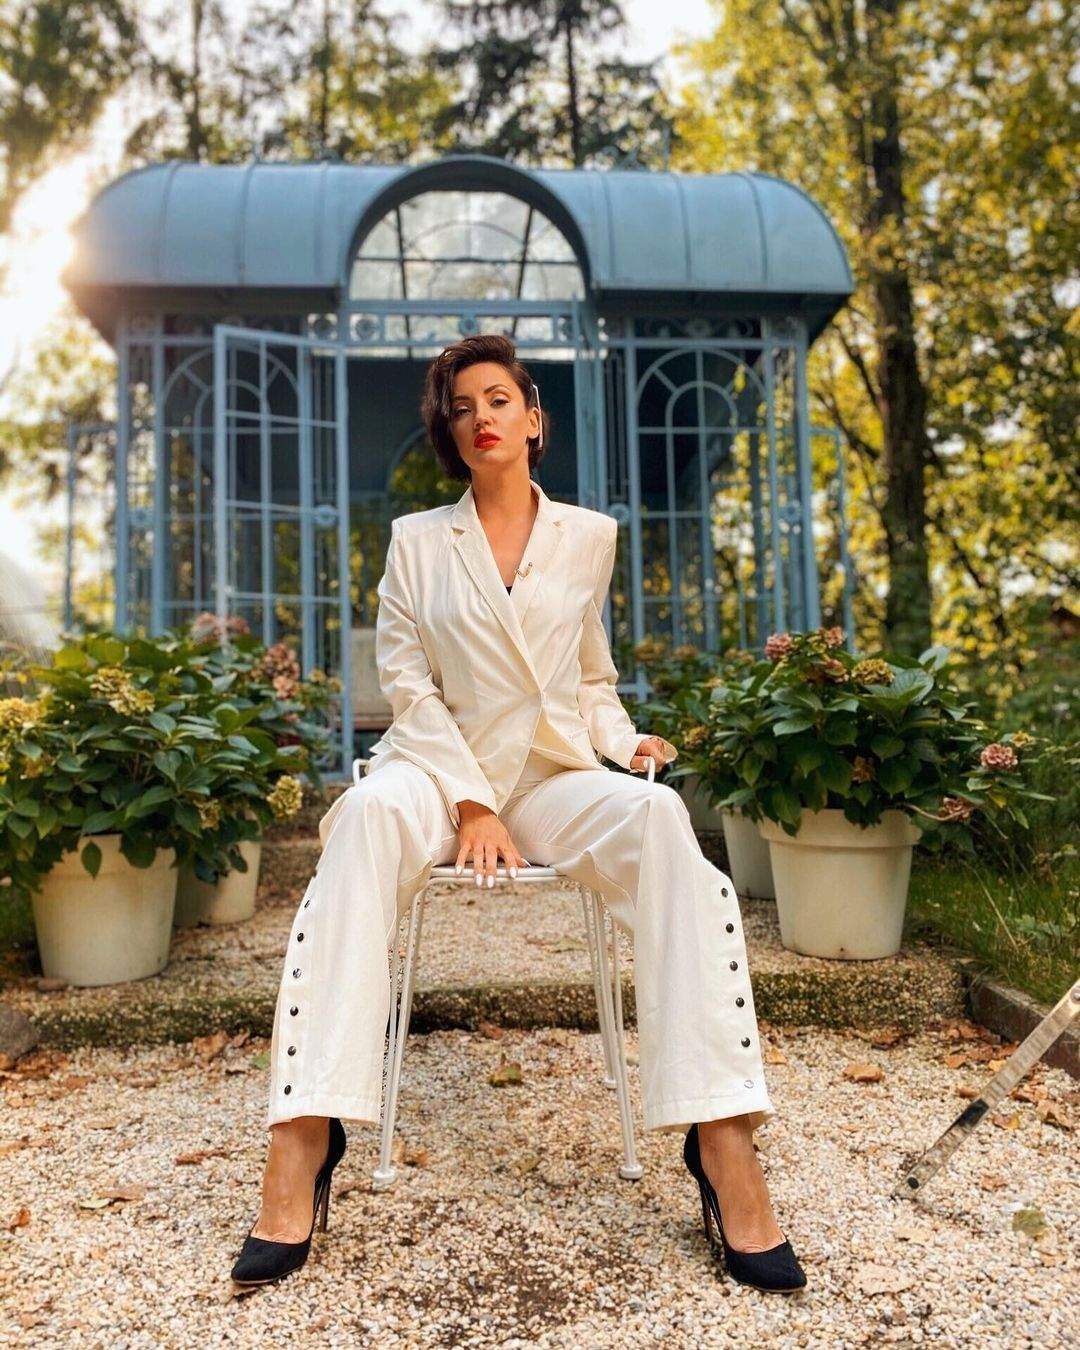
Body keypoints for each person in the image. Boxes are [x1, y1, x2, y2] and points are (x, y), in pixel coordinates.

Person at [230, 334, 806, 1295]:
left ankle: (721, 1136)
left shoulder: (590, 536)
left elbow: (590, 677)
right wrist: (468, 801)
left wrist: (624, 741)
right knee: (365, 816)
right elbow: (408, 686)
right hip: (434, 772)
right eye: (461, 407)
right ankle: (304, 1132)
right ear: (450, 434)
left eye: (498, 399)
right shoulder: (418, 541)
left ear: (533, 419)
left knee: (663, 824)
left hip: (546, 779)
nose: (481, 417)